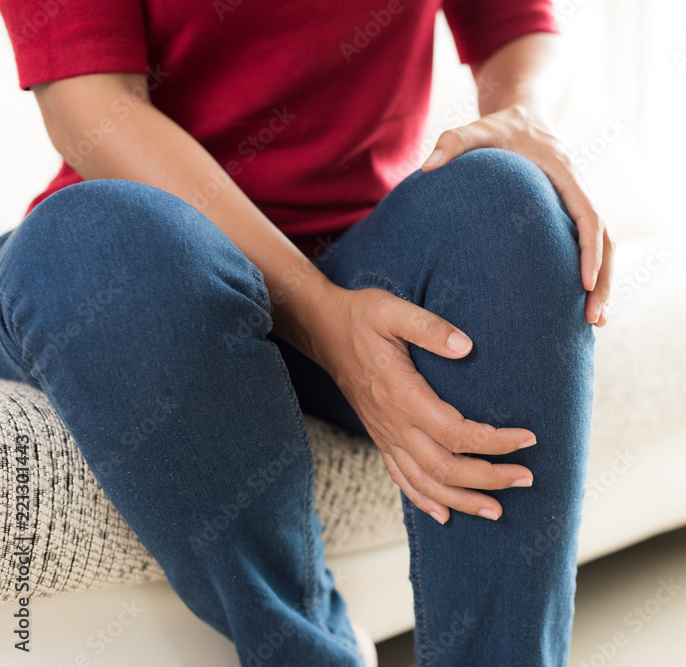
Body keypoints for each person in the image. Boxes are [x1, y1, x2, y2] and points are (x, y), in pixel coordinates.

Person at [0, 1, 615, 664]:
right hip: (141, 282)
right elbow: (86, 108)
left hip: (357, 251)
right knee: (99, 243)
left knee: (510, 204)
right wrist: (323, 316)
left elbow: (516, 24)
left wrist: (522, 111)